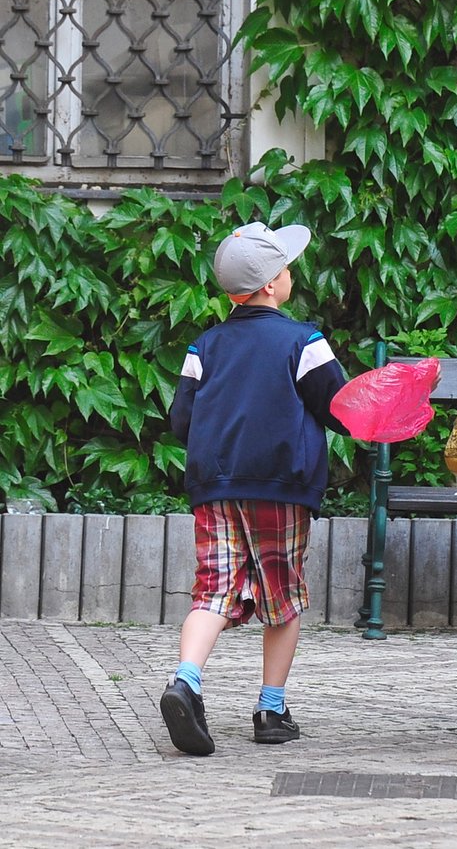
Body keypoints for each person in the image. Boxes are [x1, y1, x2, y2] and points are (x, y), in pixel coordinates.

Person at [161, 221, 349, 756]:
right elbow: (338, 408)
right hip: (282, 485)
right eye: (286, 268)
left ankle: (186, 681)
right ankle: (270, 708)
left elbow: (181, 422)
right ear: (271, 285)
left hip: (214, 485)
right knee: (282, 597)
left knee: (214, 588)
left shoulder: (206, 345)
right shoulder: (304, 341)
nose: (290, 274)